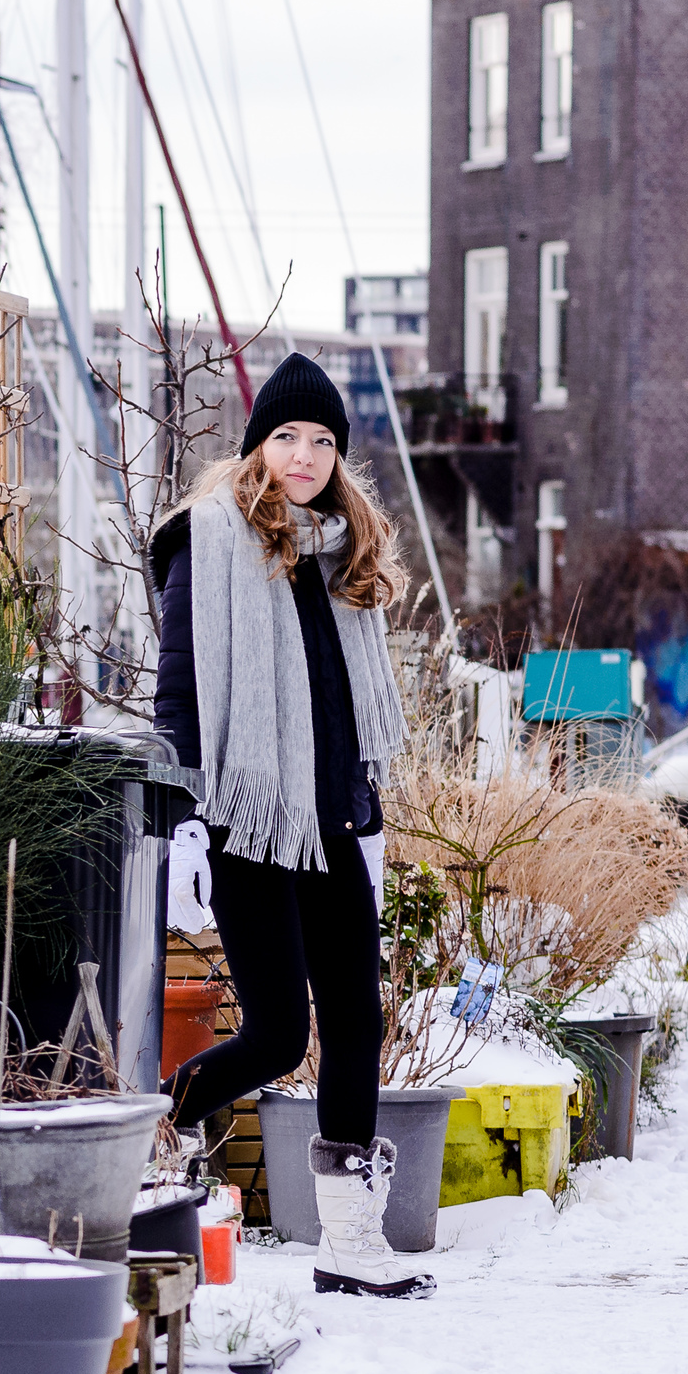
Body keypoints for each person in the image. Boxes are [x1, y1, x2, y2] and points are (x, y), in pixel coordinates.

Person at [149, 352, 434, 1300]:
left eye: (322, 441)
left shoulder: (339, 548)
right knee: (274, 1037)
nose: (306, 456)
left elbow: (347, 708)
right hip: (244, 823)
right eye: (288, 437)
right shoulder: (209, 539)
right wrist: (183, 818)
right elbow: (182, 689)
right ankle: (165, 1127)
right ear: (258, 443)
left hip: (329, 824)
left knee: (358, 1019)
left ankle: (349, 1242)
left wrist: (370, 819)